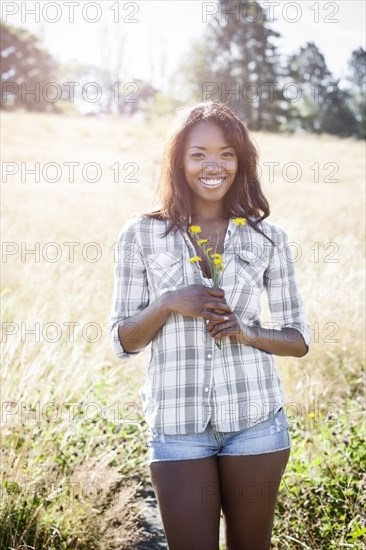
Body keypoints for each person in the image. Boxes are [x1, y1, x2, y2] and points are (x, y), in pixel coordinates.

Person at [109, 100, 311, 550]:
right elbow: (123, 340)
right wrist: (166, 303)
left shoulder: (268, 238)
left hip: (256, 423)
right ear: (179, 161)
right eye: (198, 153)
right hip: (178, 427)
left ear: (241, 162)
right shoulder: (140, 235)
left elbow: (299, 339)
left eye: (225, 154)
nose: (212, 165)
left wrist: (247, 331)